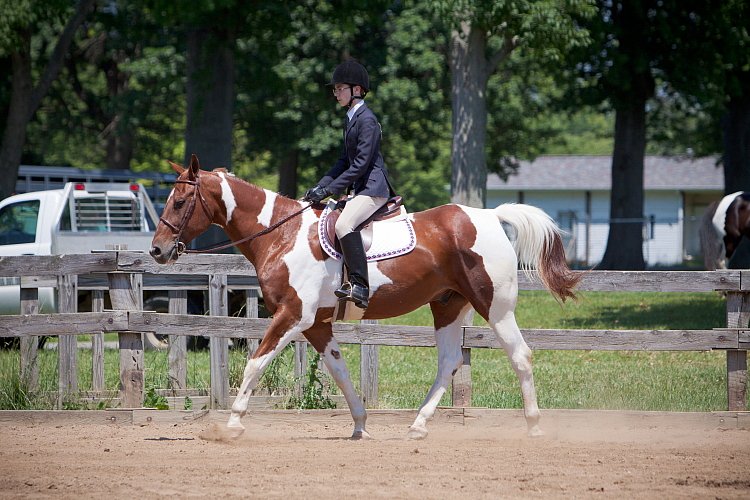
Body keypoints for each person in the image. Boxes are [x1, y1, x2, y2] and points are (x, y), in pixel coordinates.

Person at [304, 59, 394, 309]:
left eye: (340, 88)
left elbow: (361, 165)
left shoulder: (367, 120)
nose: (335, 93)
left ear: (357, 90)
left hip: (373, 188)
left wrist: (331, 190)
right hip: (359, 188)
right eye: (335, 89)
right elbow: (343, 161)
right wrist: (320, 186)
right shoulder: (351, 118)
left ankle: (360, 286)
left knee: (344, 224)